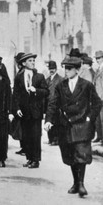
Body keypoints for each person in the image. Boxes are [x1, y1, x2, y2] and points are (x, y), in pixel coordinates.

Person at [45, 55, 102, 198]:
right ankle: (76, 182)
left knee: (81, 154)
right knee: (70, 155)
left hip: (82, 124)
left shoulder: (86, 85)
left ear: (77, 70)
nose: (66, 71)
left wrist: (90, 118)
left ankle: (81, 184)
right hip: (65, 125)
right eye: (65, 68)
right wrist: (49, 120)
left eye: (70, 69)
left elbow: (97, 103)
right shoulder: (60, 86)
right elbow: (53, 104)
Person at [12, 52, 48, 168]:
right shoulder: (19, 77)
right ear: (23, 63)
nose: (32, 63)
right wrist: (16, 108)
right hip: (24, 112)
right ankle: (29, 158)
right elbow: (16, 94)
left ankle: (36, 160)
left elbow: (46, 92)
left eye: (33, 61)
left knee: (36, 136)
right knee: (26, 136)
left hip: (36, 112)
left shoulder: (39, 76)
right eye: (30, 61)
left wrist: (36, 90)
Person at [45, 60, 62, 145]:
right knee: (48, 120)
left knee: (56, 122)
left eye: (53, 68)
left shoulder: (60, 79)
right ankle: (50, 138)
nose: (51, 70)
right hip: (48, 104)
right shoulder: (47, 80)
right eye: (50, 68)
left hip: (57, 104)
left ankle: (56, 139)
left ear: (56, 69)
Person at [93, 50, 103, 143]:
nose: (97, 60)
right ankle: (99, 136)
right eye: (96, 58)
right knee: (98, 118)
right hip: (98, 97)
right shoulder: (98, 69)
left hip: (102, 97)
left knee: (102, 118)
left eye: (99, 58)